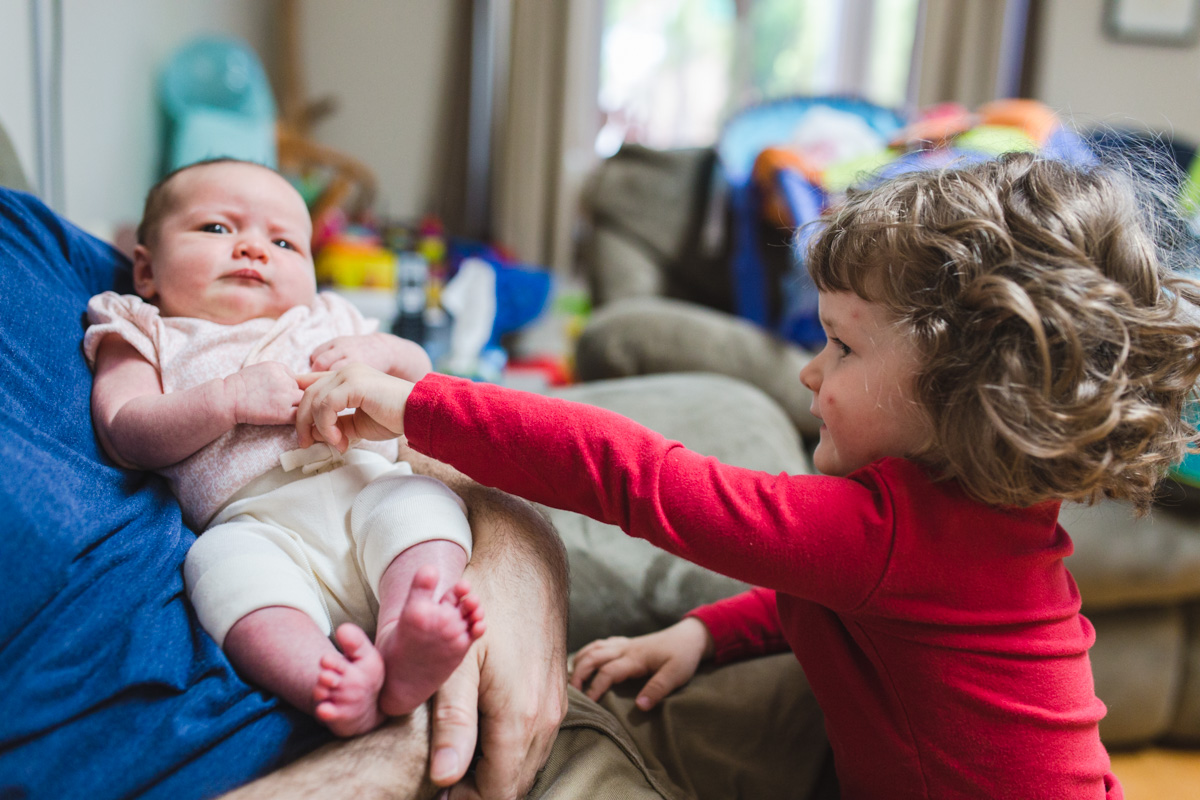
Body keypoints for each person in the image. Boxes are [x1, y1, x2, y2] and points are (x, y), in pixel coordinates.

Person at [293, 152, 1200, 799]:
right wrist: (702, 634)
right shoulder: (956, 524)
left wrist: (421, 402)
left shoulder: (892, 538)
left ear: (968, 391)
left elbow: (634, 476)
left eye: (841, 346)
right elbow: (828, 596)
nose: (811, 371)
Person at [84, 158, 485, 738]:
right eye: (217, 229)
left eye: (283, 241)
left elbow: (421, 375)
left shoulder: (332, 318)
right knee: (217, 568)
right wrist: (226, 399)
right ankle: (325, 678)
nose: (253, 249)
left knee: (423, 500)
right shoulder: (144, 328)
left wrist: (384, 359)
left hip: (366, 487)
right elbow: (124, 427)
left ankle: (408, 631)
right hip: (255, 524)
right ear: (146, 270)